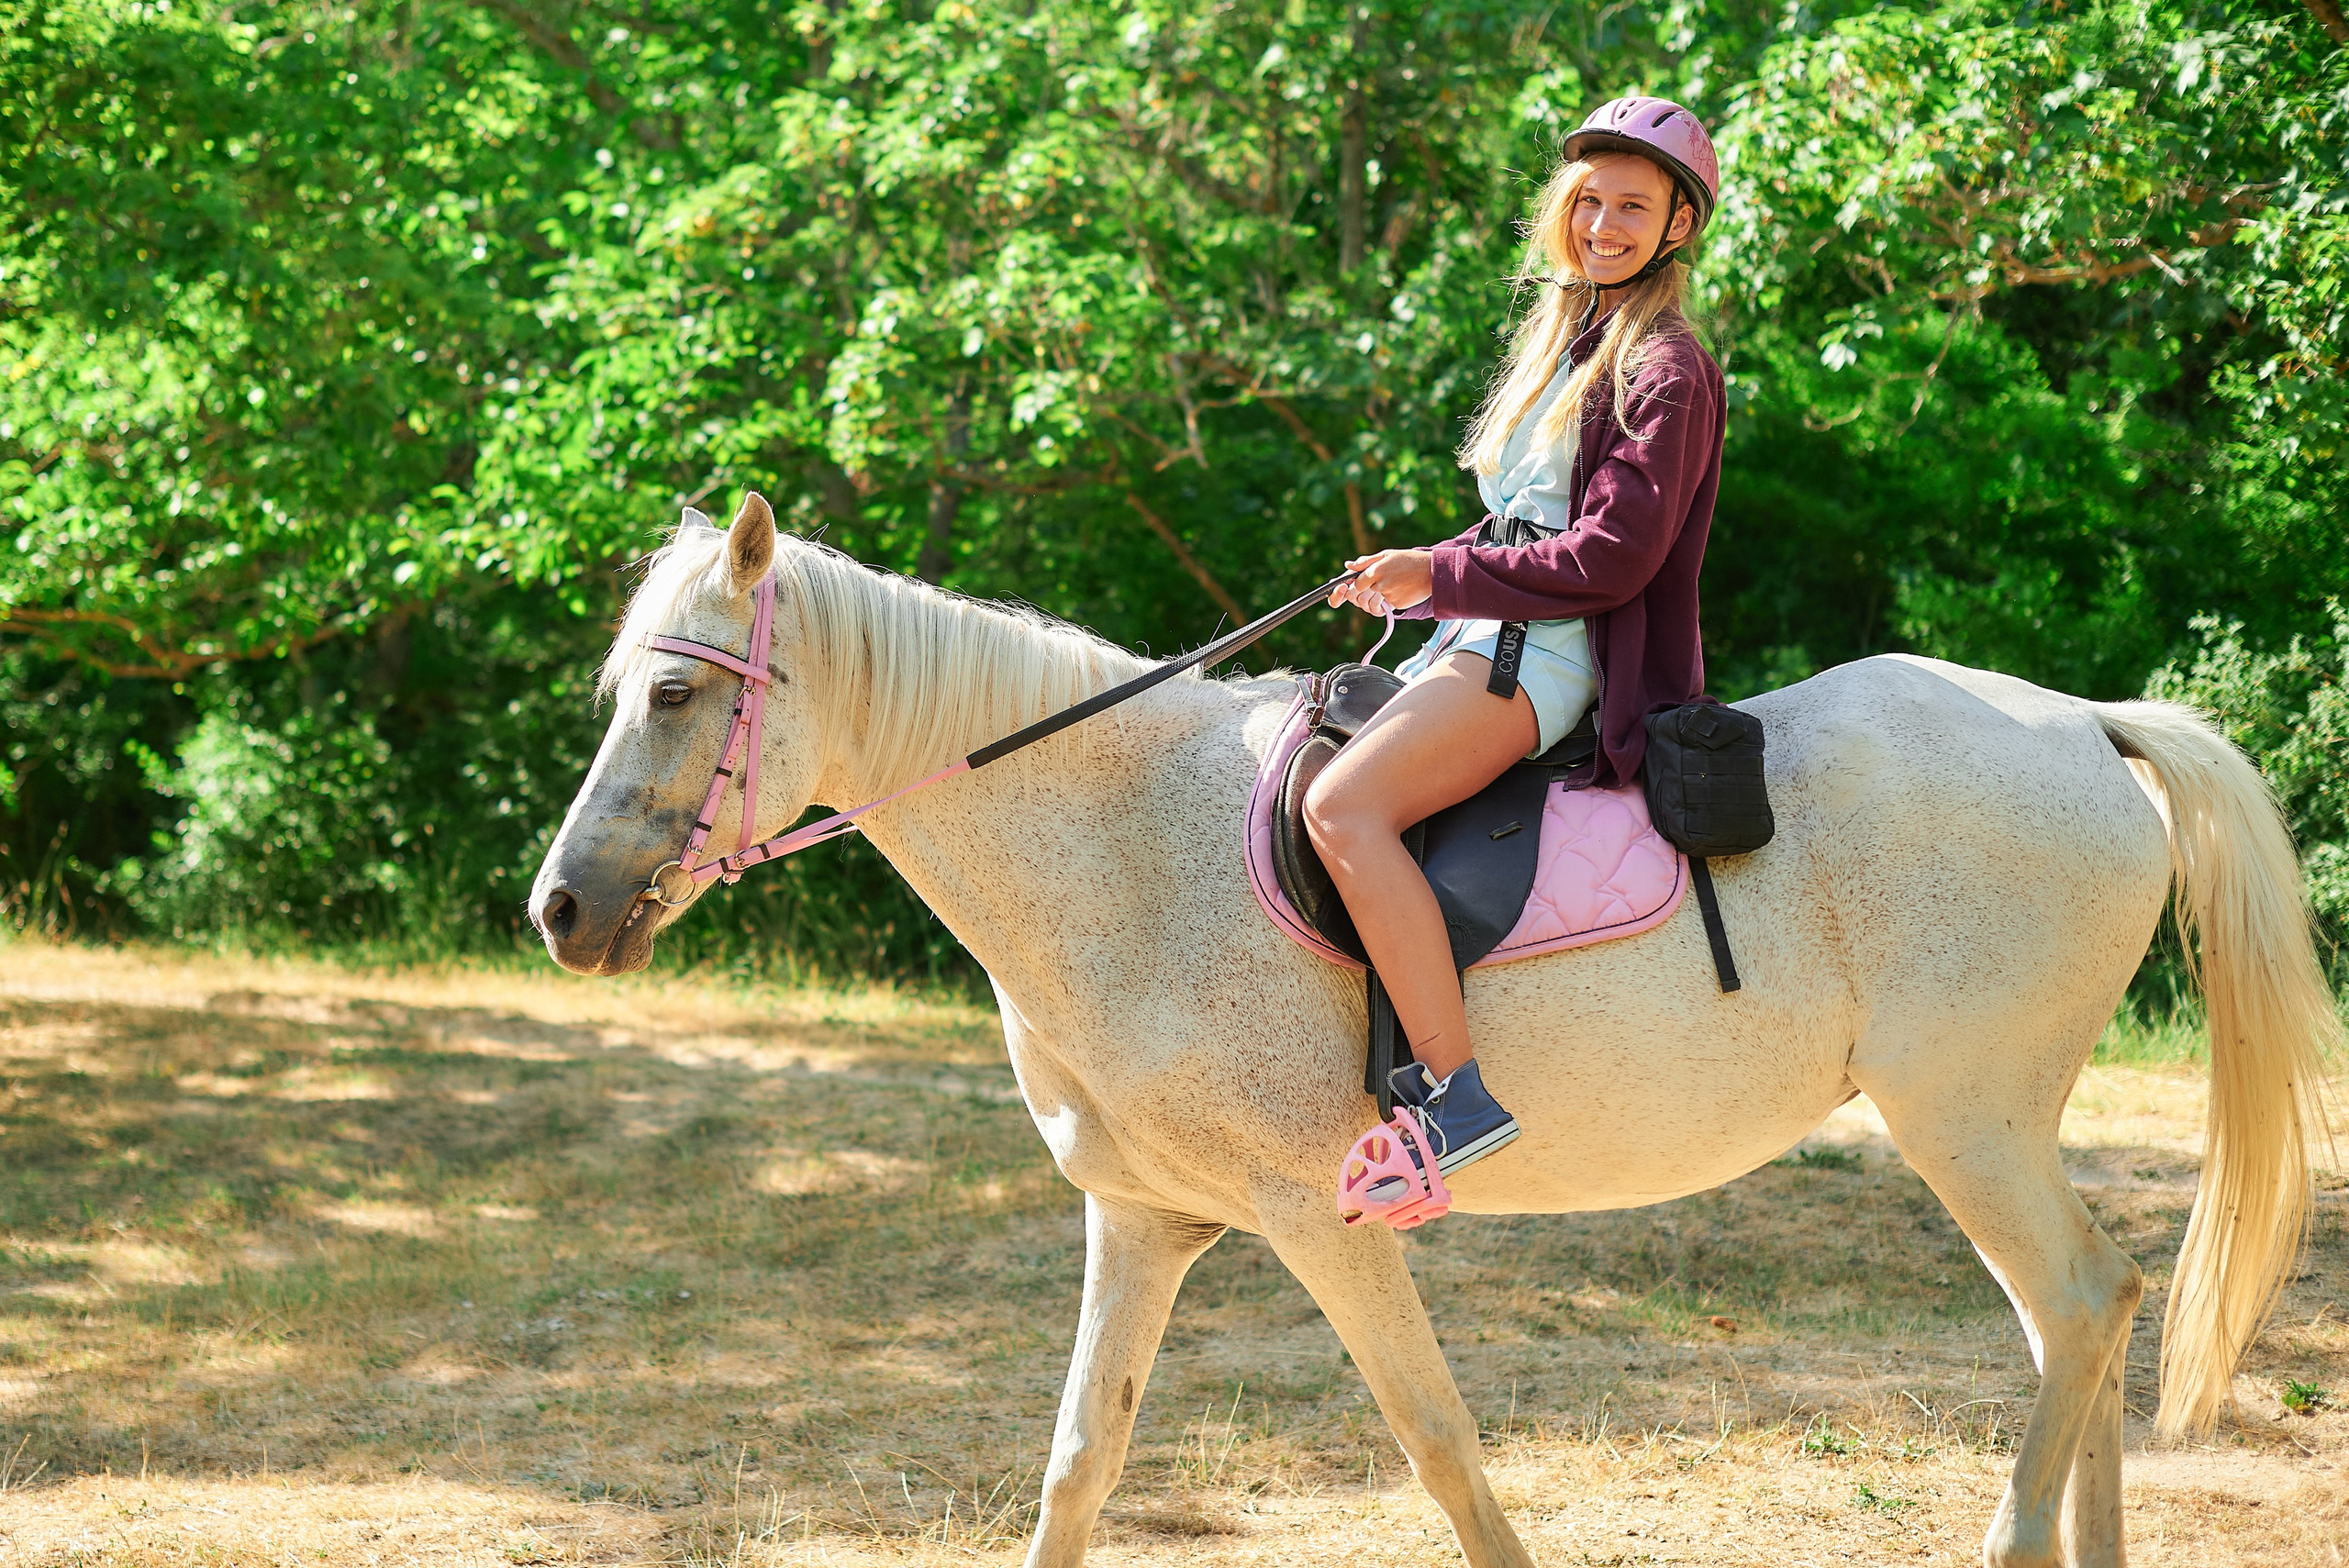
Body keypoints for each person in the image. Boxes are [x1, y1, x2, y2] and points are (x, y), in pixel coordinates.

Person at [1304, 96, 1729, 1195]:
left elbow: (1608, 561)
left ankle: (1457, 1098)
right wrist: (1417, 565)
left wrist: (1436, 575)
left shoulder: (1665, 369)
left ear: (1679, 225)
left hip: (1550, 659)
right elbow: (1518, 528)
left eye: (1632, 206)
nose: (1601, 223)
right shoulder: (1567, 339)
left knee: (1341, 807)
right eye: (1586, 200)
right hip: (1479, 635)